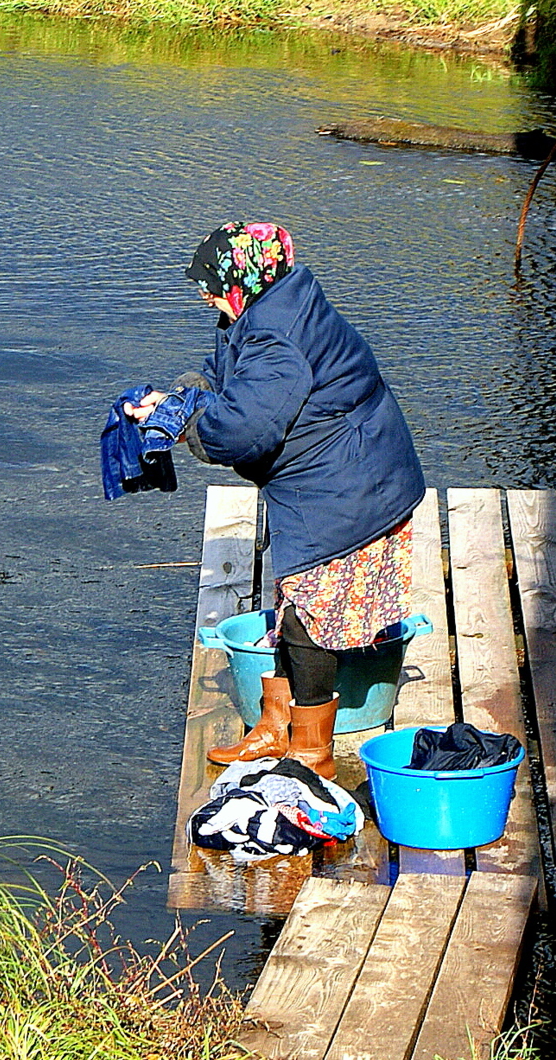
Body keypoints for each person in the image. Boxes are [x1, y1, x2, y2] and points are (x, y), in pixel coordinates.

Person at [126, 221, 425, 780]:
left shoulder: (274, 339)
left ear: (242, 280)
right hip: (331, 479)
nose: (204, 295)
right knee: (291, 601)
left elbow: (242, 430)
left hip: (347, 489)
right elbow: (229, 381)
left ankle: (311, 751)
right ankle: (274, 728)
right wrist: (185, 395)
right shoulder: (266, 306)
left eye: (211, 282)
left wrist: (183, 423)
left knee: (308, 620)